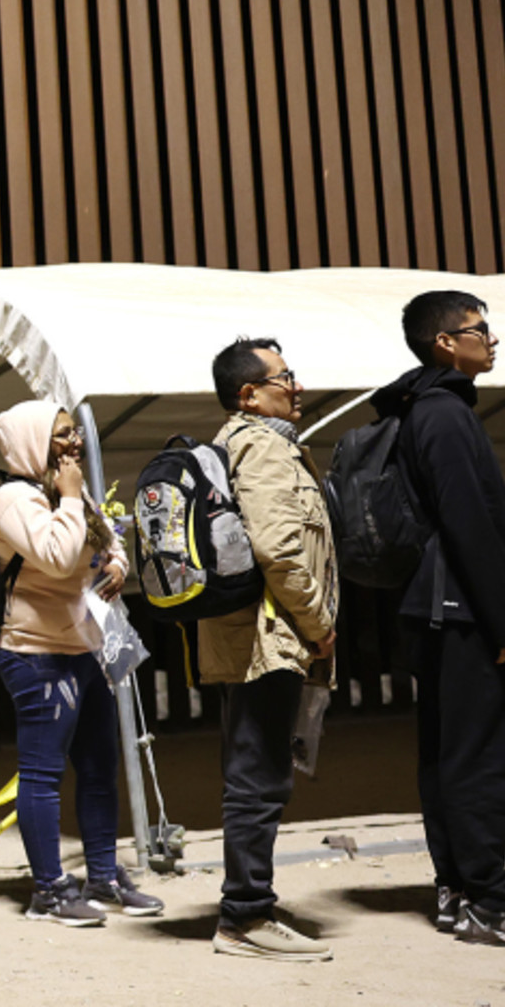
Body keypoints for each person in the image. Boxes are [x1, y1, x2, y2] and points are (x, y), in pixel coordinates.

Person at [373, 292, 505, 948]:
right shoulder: (444, 414)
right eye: (479, 329)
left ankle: (459, 893)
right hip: (462, 611)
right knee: (484, 756)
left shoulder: (423, 408)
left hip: (436, 609)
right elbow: (471, 525)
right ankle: (490, 899)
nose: (491, 340)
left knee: (448, 756)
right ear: (446, 342)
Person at [0, 399, 164, 926]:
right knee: (42, 776)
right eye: (62, 434)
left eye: (74, 433)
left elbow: (106, 540)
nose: (75, 443)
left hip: (85, 648)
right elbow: (60, 557)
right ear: (32, 442)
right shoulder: (13, 500)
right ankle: (48, 891)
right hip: (37, 655)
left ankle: (103, 876)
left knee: (99, 767)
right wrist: (69, 496)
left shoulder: (67, 490)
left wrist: (117, 564)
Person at [199, 339, 337, 961]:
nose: (296, 386)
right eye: (285, 377)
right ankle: (245, 918)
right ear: (249, 394)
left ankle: (248, 909)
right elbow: (279, 548)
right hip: (266, 638)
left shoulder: (259, 443)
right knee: (258, 776)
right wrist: (318, 622)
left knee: (257, 771)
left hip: (262, 634)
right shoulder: (259, 446)